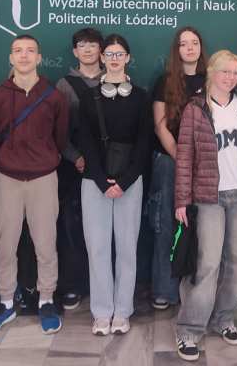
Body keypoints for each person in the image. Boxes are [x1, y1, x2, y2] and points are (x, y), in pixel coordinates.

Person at [174, 50, 237, 362]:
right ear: (211, 72)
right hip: (208, 198)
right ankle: (190, 329)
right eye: (225, 71)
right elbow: (185, 155)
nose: (231, 78)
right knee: (207, 264)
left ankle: (223, 317)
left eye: (235, 73)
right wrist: (182, 199)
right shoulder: (196, 108)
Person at [0, 35, 69, 336]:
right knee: (4, 244)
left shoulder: (54, 96)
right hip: (7, 177)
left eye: (30, 51)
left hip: (43, 177)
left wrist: (45, 158)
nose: (24, 55)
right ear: (10, 57)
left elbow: (60, 138)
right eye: (18, 51)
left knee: (46, 243)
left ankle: (47, 300)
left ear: (39, 58)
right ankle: (6, 301)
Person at [77, 34, 150, 335]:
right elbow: (85, 140)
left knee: (127, 248)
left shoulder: (141, 97)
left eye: (120, 54)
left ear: (128, 58)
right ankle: (102, 311)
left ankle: (122, 311)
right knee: (97, 248)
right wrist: (100, 179)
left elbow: (144, 143)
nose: (115, 59)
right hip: (94, 181)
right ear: (102, 58)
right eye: (110, 54)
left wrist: (125, 181)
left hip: (129, 181)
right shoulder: (88, 97)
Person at [149, 26, 207, 310]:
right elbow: (160, 126)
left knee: (204, 228)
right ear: (177, 49)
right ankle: (164, 289)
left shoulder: (212, 79)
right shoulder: (165, 81)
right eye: (184, 44)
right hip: (169, 162)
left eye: (194, 42)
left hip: (205, 164)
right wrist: (180, 158)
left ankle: (199, 290)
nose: (190, 48)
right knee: (166, 225)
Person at [54, 28, 104, 311]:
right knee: (71, 227)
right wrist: (75, 157)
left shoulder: (115, 80)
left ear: (101, 50)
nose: (87, 50)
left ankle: (102, 284)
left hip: (108, 168)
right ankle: (73, 285)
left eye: (92, 45)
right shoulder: (64, 85)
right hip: (74, 168)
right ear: (75, 51)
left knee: (104, 230)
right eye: (81, 45)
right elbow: (58, 131)